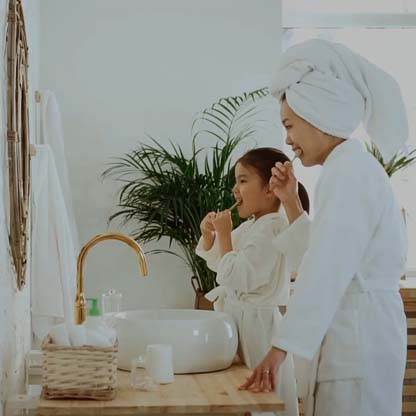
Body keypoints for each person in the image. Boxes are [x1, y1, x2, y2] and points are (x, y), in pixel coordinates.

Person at [240, 39, 408, 416]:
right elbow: (324, 254)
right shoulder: (347, 168)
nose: (287, 140)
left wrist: (280, 347)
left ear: (318, 115)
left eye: (289, 125)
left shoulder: (348, 172)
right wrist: (290, 202)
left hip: (358, 342)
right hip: (356, 338)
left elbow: (327, 266)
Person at [196, 147, 309, 416]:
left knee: (260, 400)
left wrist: (225, 236)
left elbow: (238, 275)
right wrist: (211, 236)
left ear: (270, 188)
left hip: (259, 328)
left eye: (243, 180)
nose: (235, 189)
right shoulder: (252, 226)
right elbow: (220, 264)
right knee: (243, 397)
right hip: (241, 321)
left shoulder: (273, 227)